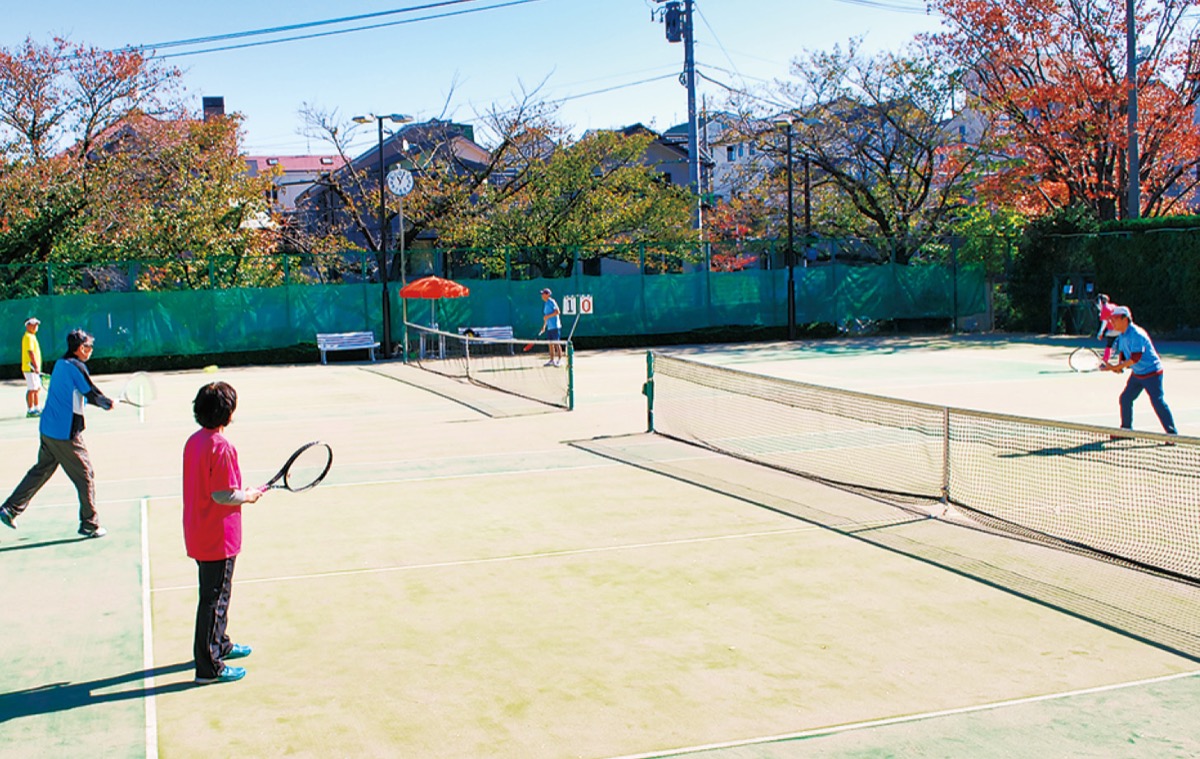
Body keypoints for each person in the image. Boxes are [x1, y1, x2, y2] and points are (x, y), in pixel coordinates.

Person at [183, 381, 263, 685]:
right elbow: (222, 494)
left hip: (199, 530)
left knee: (218, 594)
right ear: (228, 413)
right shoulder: (221, 447)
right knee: (213, 599)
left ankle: (220, 644)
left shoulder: (194, 441)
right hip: (217, 536)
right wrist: (248, 495)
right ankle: (208, 667)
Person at [0, 329, 114, 537]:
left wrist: (101, 401)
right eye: (89, 346)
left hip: (47, 429)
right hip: (64, 434)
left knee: (41, 470)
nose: (91, 350)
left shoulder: (61, 364)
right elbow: (91, 393)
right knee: (85, 475)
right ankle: (90, 523)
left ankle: (10, 509)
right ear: (80, 348)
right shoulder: (77, 367)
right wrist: (107, 403)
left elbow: (81, 393)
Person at [1099, 306, 1177, 436]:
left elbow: (1135, 358)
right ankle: (1126, 430)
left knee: (1157, 402)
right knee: (1125, 399)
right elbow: (1123, 353)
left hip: (1152, 373)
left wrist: (1114, 367)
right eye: (1110, 319)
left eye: (1114, 319)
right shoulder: (1122, 335)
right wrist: (1119, 366)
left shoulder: (1136, 334)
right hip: (1138, 374)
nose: (1111, 322)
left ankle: (1172, 434)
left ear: (1125, 319)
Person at [21, 317, 42, 417]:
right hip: (30, 368)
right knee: (32, 389)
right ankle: (30, 410)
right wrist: (36, 366)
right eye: (33, 324)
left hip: (34, 369)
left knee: (37, 388)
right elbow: (30, 352)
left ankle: (37, 407)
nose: (35, 326)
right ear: (27, 326)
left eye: (36, 324)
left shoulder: (32, 336)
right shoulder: (28, 337)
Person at [538, 287, 563, 367]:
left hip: (555, 326)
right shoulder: (545, 304)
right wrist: (544, 326)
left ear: (547, 294)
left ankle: (559, 360)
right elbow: (546, 317)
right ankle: (552, 360)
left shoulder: (552, 302)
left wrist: (548, 316)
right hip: (549, 327)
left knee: (557, 343)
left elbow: (558, 312)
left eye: (543, 294)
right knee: (550, 344)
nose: (542, 295)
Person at [1094, 294, 1118, 363]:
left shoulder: (1104, 309)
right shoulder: (1113, 305)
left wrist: (1100, 332)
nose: (1097, 306)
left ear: (1100, 302)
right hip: (1121, 328)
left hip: (1114, 329)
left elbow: (1104, 322)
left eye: (1097, 304)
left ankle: (1105, 360)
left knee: (1109, 344)